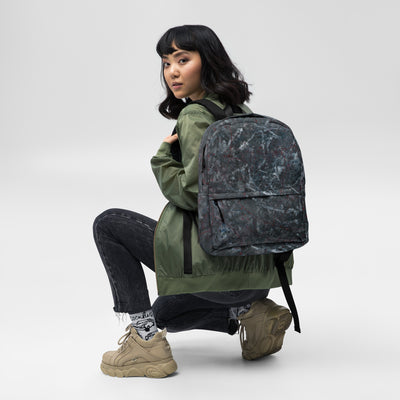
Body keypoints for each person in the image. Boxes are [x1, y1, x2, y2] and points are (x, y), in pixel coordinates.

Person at [93, 25, 294, 378]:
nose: (172, 71)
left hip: (218, 271)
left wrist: (162, 158)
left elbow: (192, 194)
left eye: (183, 60)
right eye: (166, 63)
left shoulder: (195, 115)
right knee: (165, 314)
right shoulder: (240, 111)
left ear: (208, 61)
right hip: (258, 274)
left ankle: (144, 343)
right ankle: (250, 312)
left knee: (109, 223)